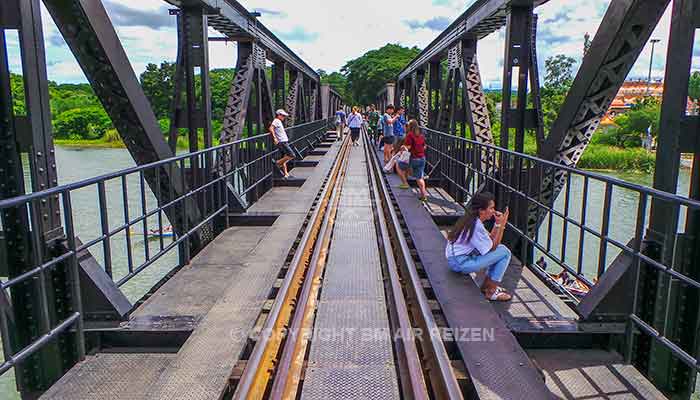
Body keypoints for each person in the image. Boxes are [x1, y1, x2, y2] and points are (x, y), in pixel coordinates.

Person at [445, 192, 512, 301]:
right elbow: (493, 247)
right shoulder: (476, 225)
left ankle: (487, 287)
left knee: (500, 250)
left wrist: (497, 224)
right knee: (505, 252)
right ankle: (491, 291)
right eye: (491, 208)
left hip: (455, 260)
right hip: (461, 263)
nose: (493, 211)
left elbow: (489, 242)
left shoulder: (471, 220)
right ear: (481, 210)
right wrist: (502, 225)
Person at [401, 120, 429, 201]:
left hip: (414, 158)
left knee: (400, 166)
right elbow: (424, 147)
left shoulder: (410, 135)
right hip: (422, 158)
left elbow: (408, 147)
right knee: (420, 177)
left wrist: (403, 147)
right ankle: (423, 195)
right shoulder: (421, 135)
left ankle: (405, 183)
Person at [270, 109, 295, 179]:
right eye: (283, 116)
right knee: (292, 155)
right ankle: (277, 163)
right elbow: (271, 128)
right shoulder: (276, 121)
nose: (284, 117)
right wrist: (275, 138)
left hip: (283, 141)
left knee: (284, 157)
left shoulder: (279, 121)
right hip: (282, 142)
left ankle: (286, 174)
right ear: (279, 115)